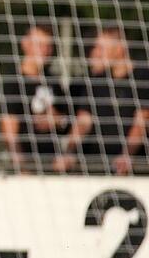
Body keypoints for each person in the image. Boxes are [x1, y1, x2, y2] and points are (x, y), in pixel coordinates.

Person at [64, 26, 149, 175]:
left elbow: (141, 121)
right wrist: (69, 151)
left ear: (120, 48)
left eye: (102, 48)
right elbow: (84, 121)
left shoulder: (143, 76)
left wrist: (127, 155)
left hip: (135, 167)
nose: (96, 52)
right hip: (95, 164)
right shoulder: (97, 80)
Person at [0, 25, 74, 173]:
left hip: (52, 163)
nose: (45, 51)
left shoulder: (53, 81)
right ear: (25, 45)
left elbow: (66, 120)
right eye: (39, 45)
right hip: (27, 166)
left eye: (48, 46)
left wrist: (57, 120)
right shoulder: (13, 82)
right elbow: (9, 129)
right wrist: (22, 167)